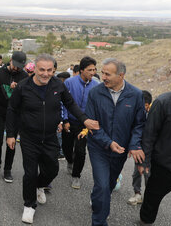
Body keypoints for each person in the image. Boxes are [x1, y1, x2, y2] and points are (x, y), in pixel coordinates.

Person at [6, 54, 98, 224]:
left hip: (50, 136)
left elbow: (70, 104)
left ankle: (40, 186)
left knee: (53, 169)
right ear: (35, 69)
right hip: (29, 137)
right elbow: (12, 110)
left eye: (50, 70)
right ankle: (29, 205)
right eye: (42, 70)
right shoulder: (23, 87)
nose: (46, 74)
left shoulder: (58, 85)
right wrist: (11, 134)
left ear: (54, 70)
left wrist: (84, 120)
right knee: (30, 173)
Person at [85, 58, 145, 226]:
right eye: (102, 73)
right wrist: (108, 142)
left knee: (108, 185)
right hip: (98, 147)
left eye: (107, 74)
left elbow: (139, 124)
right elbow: (92, 124)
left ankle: (98, 200)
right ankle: (99, 221)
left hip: (120, 150)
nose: (102, 76)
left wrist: (133, 145)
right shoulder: (95, 93)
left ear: (121, 75)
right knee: (102, 185)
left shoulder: (136, 95)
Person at [138, 86, 171, 226]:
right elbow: (149, 135)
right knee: (151, 200)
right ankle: (145, 222)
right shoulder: (164, 102)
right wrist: (144, 162)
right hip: (164, 164)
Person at [0, 51, 28, 183]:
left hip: (15, 114)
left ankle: (7, 169)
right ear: (10, 60)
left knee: (11, 143)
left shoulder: (24, 76)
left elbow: (26, 97)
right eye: (15, 65)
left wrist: (17, 90)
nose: (16, 68)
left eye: (19, 67)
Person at [61, 57, 98, 190]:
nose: (93, 73)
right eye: (89, 70)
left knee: (81, 151)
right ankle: (70, 161)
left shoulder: (96, 86)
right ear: (81, 70)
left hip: (85, 124)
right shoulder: (69, 83)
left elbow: (96, 106)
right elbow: (63, 103)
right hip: (70, 121)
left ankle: (76, 176)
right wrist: (64, 119)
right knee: (66, 147)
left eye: (94, 70)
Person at [127, 90, 152, 205]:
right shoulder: (136, 112)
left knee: (147, 173)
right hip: (139, 147)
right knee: (137, 172)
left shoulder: (154, 114)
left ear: (147, 105)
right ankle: (137, 193)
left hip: (151, 149)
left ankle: (149, 197)